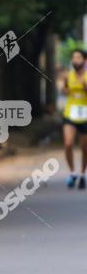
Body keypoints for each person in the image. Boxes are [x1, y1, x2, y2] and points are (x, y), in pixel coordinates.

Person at [61, 48, 87, 189]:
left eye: (78, 57)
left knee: (84, 148)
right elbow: (64, 90)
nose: (75, 60)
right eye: (74, 58)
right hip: (70, 113)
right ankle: (72, 173)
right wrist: (64, 89)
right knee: (68, 144)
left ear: (84, 60)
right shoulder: (68, 76)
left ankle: (82, 174)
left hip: (85, 115)